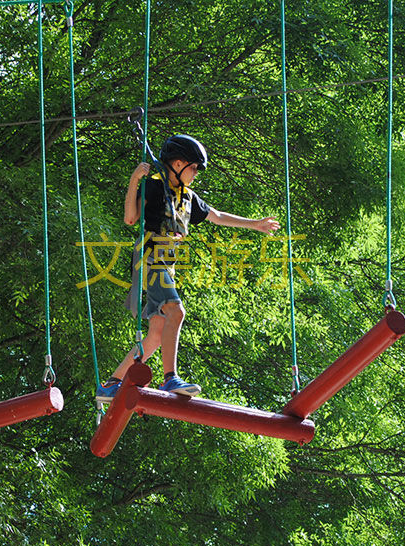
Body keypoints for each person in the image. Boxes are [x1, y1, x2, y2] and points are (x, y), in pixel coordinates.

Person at [96, 134, 279, 400]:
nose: (195, 174)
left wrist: (256, 224)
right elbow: (130, 218)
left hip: (166, 264)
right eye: (193, 168)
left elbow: (216, 216)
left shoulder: (187, 197)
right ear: (179, 163)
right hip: (150, 255)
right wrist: (135, 180)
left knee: (157, 332)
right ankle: (170, 378)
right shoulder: (154, 187)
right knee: (176, 312)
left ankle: (113, 383)